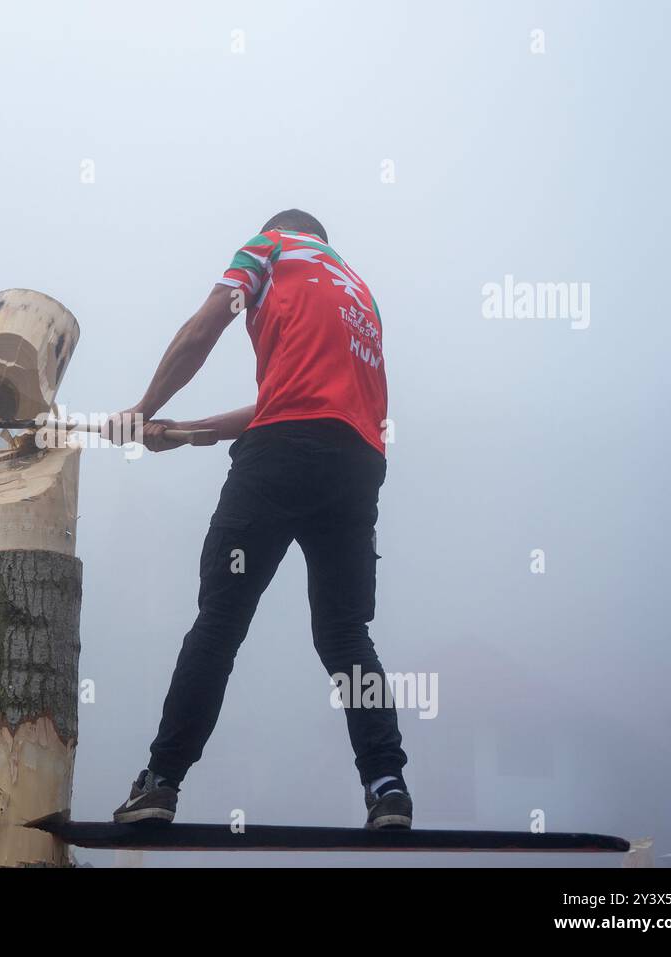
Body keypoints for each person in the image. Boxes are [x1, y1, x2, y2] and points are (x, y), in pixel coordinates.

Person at [102, 209, 412, 829]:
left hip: (280, 460)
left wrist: (144, 407)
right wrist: (185, 433)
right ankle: (387, 786)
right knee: (346, 636)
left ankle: (160, 783)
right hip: (355, 463)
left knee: (220, 622)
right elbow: (291, 404)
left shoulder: (271, 247)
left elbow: (203, 330)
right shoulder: (359, 293)